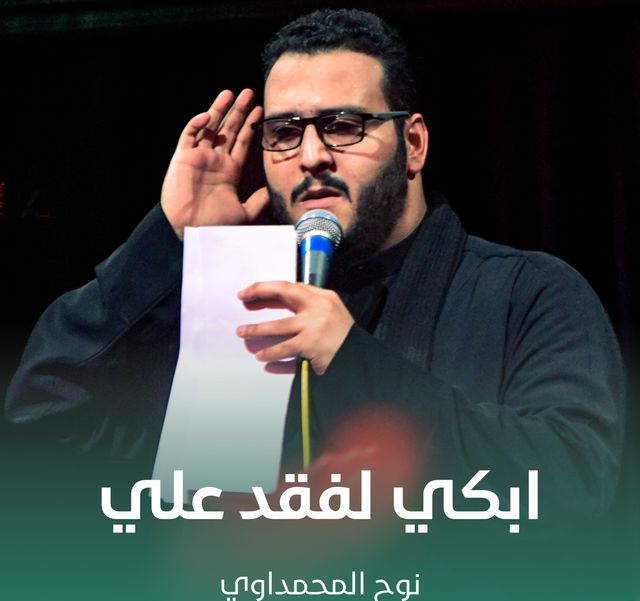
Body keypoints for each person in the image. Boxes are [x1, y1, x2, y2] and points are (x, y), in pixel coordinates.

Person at [4, 9, 626, 519]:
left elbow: (571, 488)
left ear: (413, 143)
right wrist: (170, 243)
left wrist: (349, 358)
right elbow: (44, 424)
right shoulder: (239, 304)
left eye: (343, 125)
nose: (311, 156)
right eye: (284, 132)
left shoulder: (528, 294)